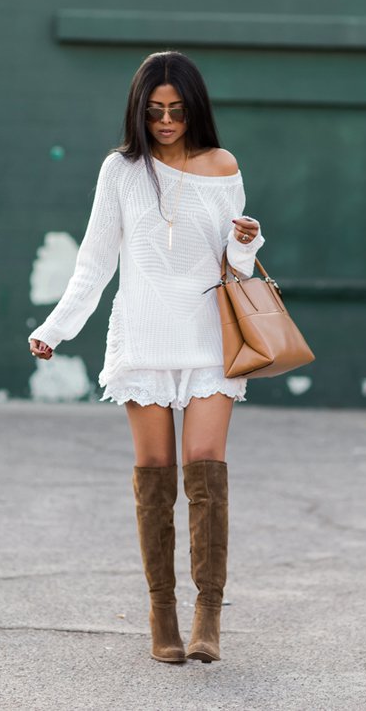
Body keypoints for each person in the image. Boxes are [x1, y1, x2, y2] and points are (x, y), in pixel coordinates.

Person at [28, 50, 265, 664]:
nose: (166, 121)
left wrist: (246, 244)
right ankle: (163, 614)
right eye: (155, 111)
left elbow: (234, 267)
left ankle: (207, 617)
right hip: (141, 340)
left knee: (207, 468)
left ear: (195, 110)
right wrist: (56, 327)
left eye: (177, 111)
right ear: (139, 109)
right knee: (155, 474)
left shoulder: (223, 165)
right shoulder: (120, 171)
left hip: (210, 340)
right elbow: (95, 260)